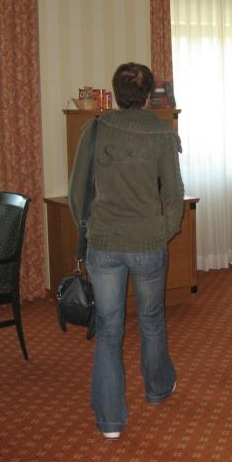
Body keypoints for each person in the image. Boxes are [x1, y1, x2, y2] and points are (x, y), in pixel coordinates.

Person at [68, 62, 184, 440]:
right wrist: (165, 230)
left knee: (108, 329)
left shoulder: (95, 129)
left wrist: (87, 227)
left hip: (103, 243)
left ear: (116, 94)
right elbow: (174, 193)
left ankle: (110, 420)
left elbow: (77, 192)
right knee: (151, 318)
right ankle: (157, 389)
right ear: (148, 95)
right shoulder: (162, 132)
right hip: (148, 242)